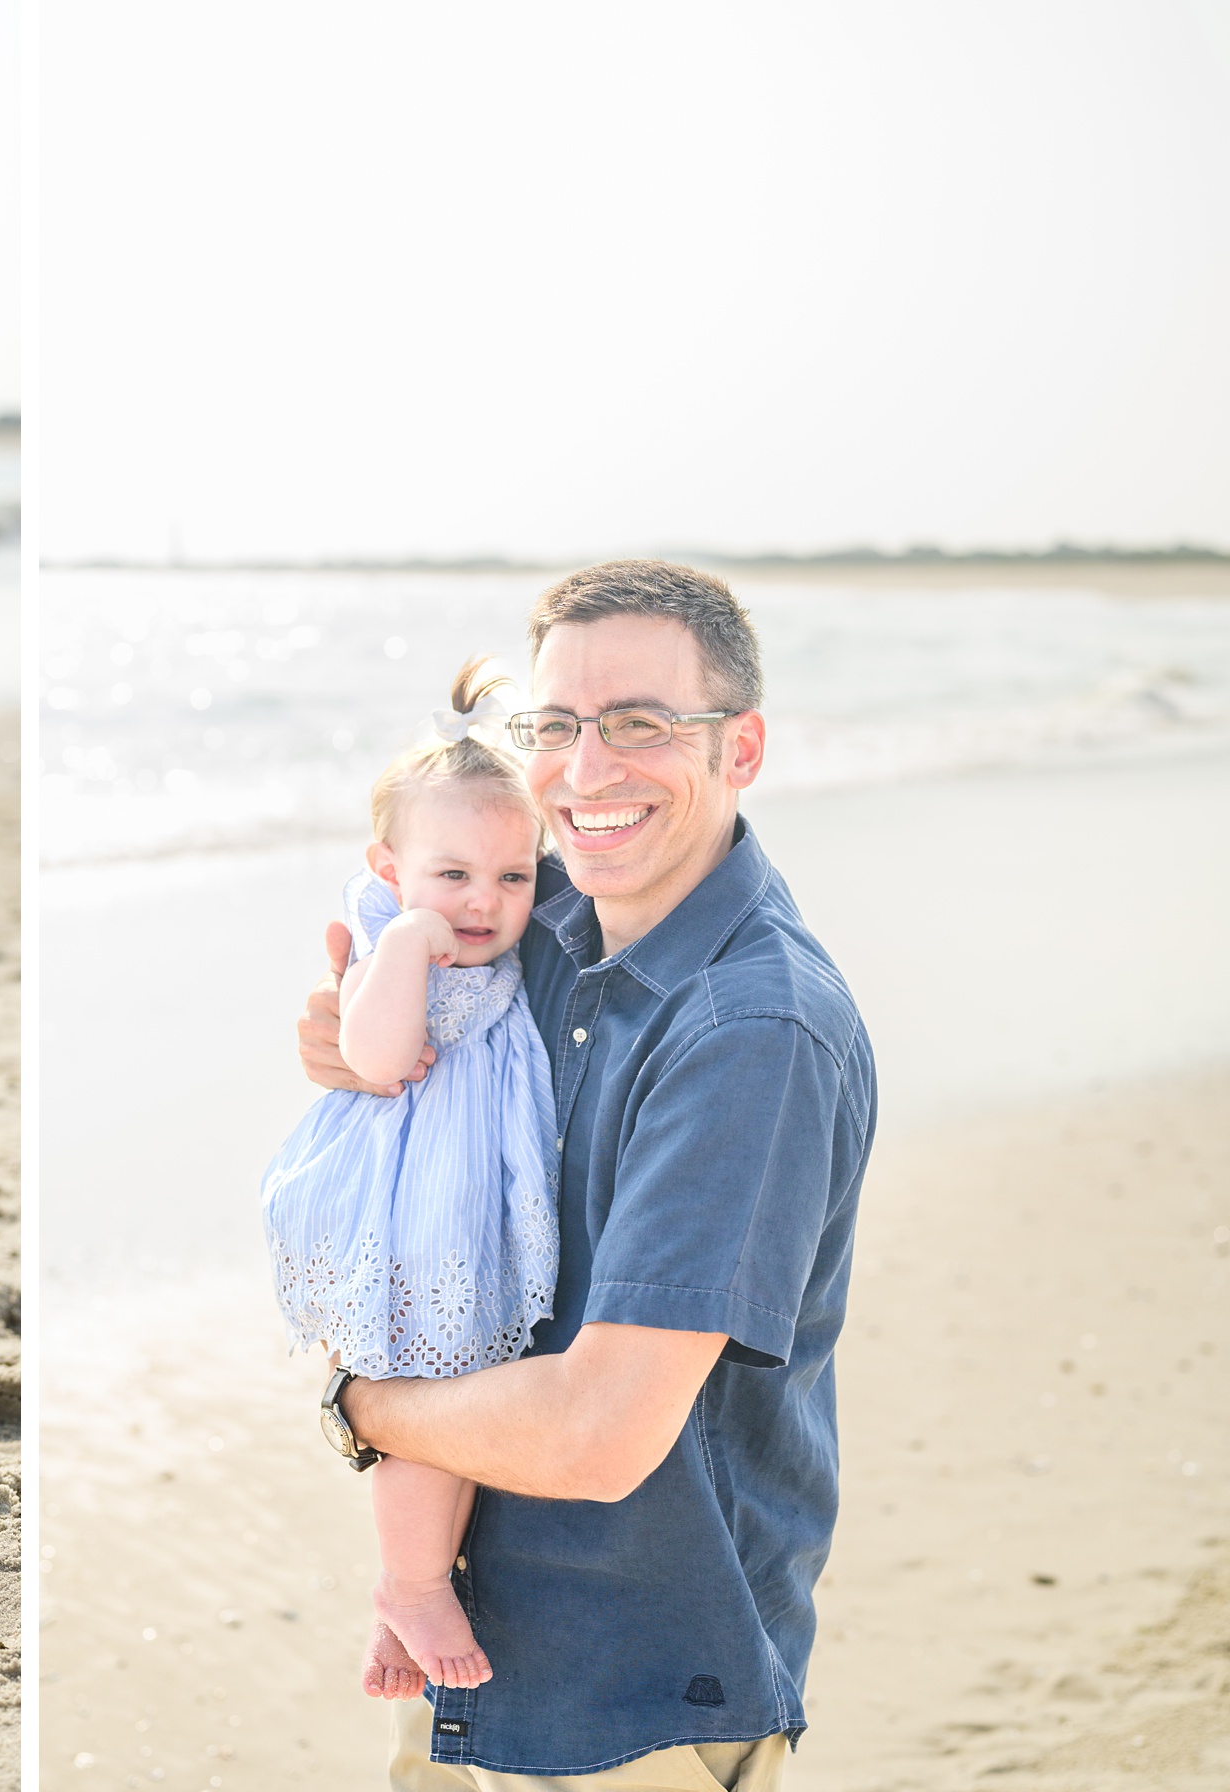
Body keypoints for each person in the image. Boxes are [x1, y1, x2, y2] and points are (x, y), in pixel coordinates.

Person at [296, 562, 874, 1791]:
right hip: (475, 1637)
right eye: (558, 729)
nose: (588, 768)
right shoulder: (547, 920)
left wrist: (361, 1405)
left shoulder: (749, 1035)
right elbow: (455, 817)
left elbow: (600, 1434)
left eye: (643, 725)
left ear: (745, 747)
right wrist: (346, 1035)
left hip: (639, 1698)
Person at [261, 657, 559, 1700]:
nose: (484, 902)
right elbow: (381, 1058)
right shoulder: (398, 942)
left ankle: (403, 1604)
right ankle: (414, 1579)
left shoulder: (482, 925)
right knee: (431, 1400)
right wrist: (408, 946)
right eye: (453, 876)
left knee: (461, 1402)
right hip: (411, 1212)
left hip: (461, 1205)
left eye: (512, 877)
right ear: (389, 868)